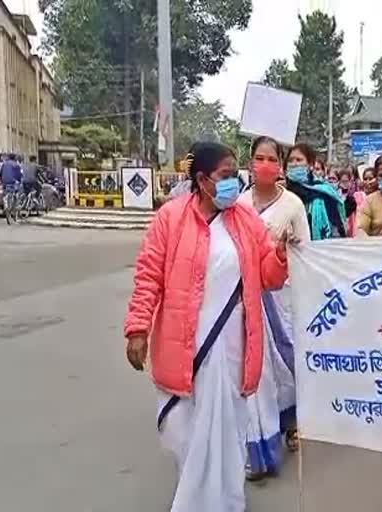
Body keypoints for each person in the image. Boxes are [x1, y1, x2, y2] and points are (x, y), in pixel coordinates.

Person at [123, 142, 290, 512]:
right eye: (226, 176)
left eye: (236, 176)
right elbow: (149, 275)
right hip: (182, 344)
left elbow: (268, 275)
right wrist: (137, 328)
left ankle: (225, 504)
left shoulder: (246, 221)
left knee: (227, 434)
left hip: (232, 346)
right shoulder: (170, 218)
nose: (235, 183)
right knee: (182, 433)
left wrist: (280, 255)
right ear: (202, 180)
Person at [238, 136, 310, 478]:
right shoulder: (238, 204)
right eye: (259, 157)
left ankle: (292, 421)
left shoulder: (293, 205)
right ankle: (259, 446)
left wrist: (284, 250)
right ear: (251, 161)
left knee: (287, 361)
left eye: (272, 158)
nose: (265, 164)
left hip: (283, 297)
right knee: (256, 372)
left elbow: (306, 252)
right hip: (246, 301)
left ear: (280, 166)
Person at [284, 143, 348, 239]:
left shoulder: (324, 193)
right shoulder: (282, 194)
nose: (294, 164)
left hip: (320, 250)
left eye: (299, 160)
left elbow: (336, 228)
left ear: (310, 165)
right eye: (290, 160)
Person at [337, 168, 365, 237]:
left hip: (351, 231)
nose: (344, 184)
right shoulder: (336, 197)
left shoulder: (354, 198)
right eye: (342, 181)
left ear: (350, 182)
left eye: (346, 181)